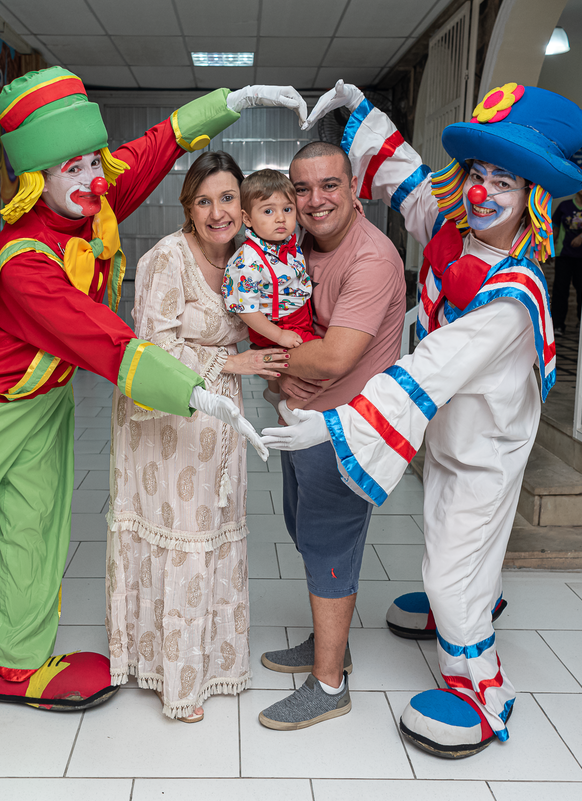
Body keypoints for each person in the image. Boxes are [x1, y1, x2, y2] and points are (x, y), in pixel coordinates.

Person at [0, 67, 307, 776]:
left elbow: (162, 142)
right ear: (39, 177)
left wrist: (237, 100)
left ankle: (20, 660)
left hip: (46, 401)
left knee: (37, 530)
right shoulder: (23, 260)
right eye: (74, 166)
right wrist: (202, 391)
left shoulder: (94, 194)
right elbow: (108, 341)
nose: (95, 176)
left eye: (94, 160)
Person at [263, 81, 582, 758]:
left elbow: (431, 366)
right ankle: (470, 598)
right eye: (479, 174)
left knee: (450, 567)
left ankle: (481, 692)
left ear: (536, 196)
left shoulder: (512, 294)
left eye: (506, 180)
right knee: (450, 534)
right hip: (450, 435)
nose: (482, 191)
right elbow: (411, 180)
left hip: (486, 446)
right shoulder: (454, 236)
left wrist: (332, 424)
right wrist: (358, 111)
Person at [106, 152, 289, 723]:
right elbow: (152, 351)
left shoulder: (247, 258)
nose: (218, 211)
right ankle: (173, 679)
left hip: (219, 421)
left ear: (244, 202)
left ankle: (211, 661)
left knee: (213, 528)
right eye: (204, 200)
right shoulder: (167, 258)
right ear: (188, 207)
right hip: (165, 419)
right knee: (182, 533)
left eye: (228, 198)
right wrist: (235, 365)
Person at [254, 141, 407, 731]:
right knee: (303, 527)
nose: (314, 200)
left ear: (354, 188)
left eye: (329, 186)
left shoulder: (371, 258)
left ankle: (327, 684)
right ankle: (331, 645)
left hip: (346, 429)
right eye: (301, 188)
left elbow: (338, 357)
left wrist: (260, 361)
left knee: (328, 544)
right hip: (304, 422)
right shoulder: (298, 246)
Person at [223, 169, 319, 402]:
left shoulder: (287, 241)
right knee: (322, 365)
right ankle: (286, 405)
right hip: (276, 324)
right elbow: (246, 309)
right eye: (268, 211)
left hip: (298, 314)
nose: (280, 218)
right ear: (247, 219)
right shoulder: (247, 261)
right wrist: (279, 335)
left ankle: (276, 394)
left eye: (287, 209)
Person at [551, 171, 582, 336]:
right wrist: (549, 249)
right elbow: (555, 228)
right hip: (564, 253)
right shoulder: (564, 206)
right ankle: (557, 325)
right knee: (560, 289)